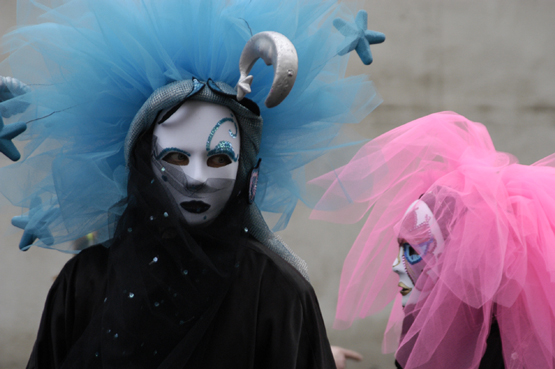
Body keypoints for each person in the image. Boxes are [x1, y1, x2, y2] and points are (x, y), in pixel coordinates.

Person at [0, 0, 384, 367]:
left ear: (245, 169)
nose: (198, 179)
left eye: (219, 158)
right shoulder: (84, 284)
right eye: (176, 157)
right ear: (143, 162)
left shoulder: (277, 292)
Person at [311, 111, 555, 368]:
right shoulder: (432, 343)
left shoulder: (499, 357)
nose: (396, 266)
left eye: (413, 252)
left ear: (456, 262)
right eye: (401, 250)